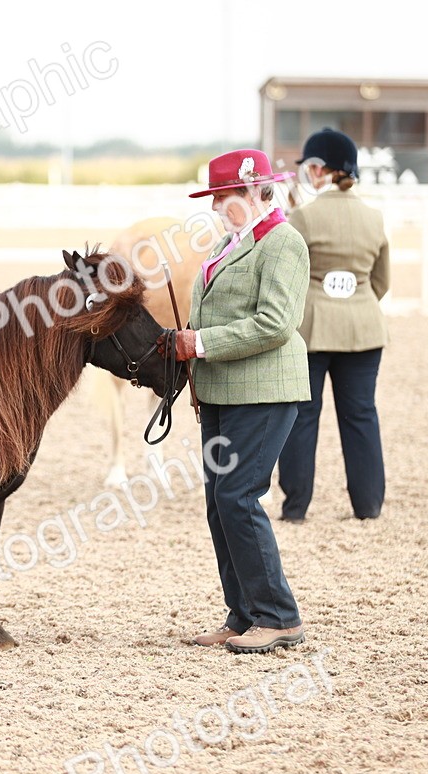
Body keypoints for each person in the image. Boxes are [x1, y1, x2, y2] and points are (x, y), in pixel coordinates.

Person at [158, 149, 310, 654]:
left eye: (225, 198)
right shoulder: (230, 243)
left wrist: (199, 343)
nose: (218, 207)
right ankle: (243, 614)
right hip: (223, 392)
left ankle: (279, 616)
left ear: (255, 191)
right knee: (219, 504)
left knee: (237, 497)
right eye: (215, 199)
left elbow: (275, 323)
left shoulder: (282, 243)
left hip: (265, 391)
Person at [279, 128, 389, 521]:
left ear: (321, 169)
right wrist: (356, 301)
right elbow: (382, 281)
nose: (306, 174)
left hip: (312, 331)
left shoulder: (303, 217)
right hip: (364, 329)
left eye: (309, 167)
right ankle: (368, 504)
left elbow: (287, 276)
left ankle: (296, 507)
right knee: (361, 415)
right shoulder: (374, 218)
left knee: (302, 416)